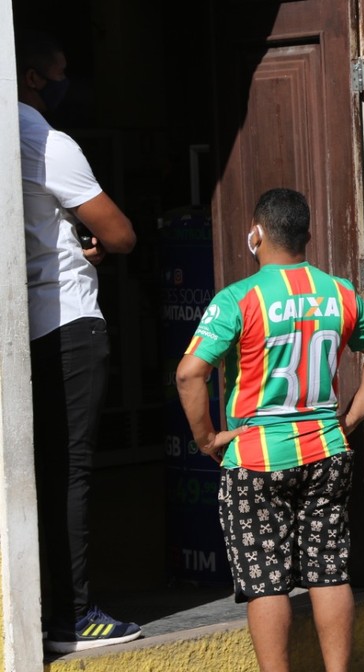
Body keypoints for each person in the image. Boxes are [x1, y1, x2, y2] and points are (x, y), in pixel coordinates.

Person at [175, 188, 364, 672]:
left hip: (256, 457)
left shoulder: (238, 298)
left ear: (256, 234)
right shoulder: (340, 292)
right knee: (328, 572)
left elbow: (189, 373)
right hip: (327, 450)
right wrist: (353, 416)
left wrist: (207, 439)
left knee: (265, 583)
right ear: (308, 235)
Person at [16, 29, 141, 653]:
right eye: (61, 71)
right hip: (69, 319)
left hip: (24, 328)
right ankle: (76, 614)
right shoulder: (46, 139)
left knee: (43, 468)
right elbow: (119, 235)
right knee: (74, 471)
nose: (69, 84)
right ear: (35, 78)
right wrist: (91, 242)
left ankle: (40, 607)